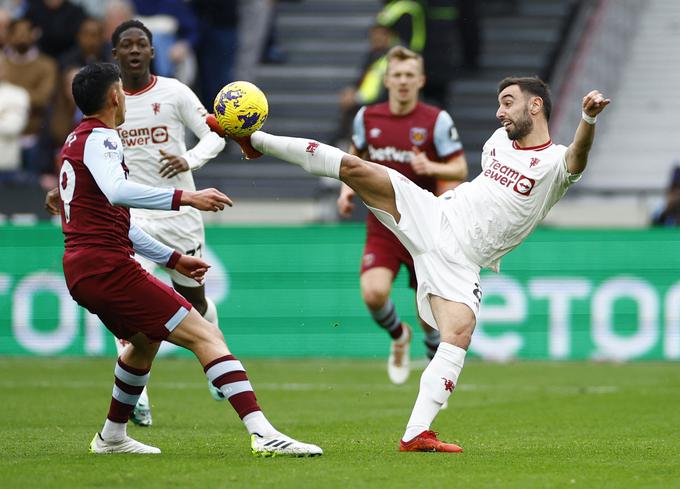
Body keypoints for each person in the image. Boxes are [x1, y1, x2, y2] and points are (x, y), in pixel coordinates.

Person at [207, 77, 610, 452]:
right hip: (435, 216)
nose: (499, 112)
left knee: (459, 333)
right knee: (355, 169)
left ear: (536, 106)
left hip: (464, 260)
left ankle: (416, 432)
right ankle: (256, 140)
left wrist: (587, 117)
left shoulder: (557, 164)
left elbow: (580, 153)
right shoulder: (497, 143)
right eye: (498, 104)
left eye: (508, 103)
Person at [58, 61, 322, 456]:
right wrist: (187, 197)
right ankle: (263, 433)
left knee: (144, 342)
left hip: (86, 266)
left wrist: (173, 259)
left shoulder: (75, 141)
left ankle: (112, 437)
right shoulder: (103, 139)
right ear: (115, 96)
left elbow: (118, 221)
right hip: (106, 266)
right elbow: (117, 192)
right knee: (205, 334)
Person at [338, 46, 467, 385]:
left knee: (429, 315)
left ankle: (431, 345)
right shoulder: (367, 118)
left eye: (410, 75)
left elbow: (460, 167)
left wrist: (433, 166)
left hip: (424, 226)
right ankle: (399, 335)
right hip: (383, 222)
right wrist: (346, 190)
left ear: (421, 80)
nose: (403, 81)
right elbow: (356, 158)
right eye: (397, 75)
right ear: (387, 79)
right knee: (373, 293)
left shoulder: (436, 120)